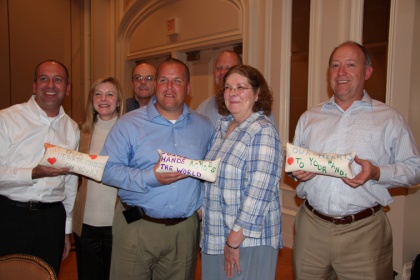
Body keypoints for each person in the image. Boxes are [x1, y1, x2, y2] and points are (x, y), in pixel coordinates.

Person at [291, 41, 420, 280]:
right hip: (311, 229)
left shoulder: (389, 118)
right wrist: (296, 171)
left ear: (367, 72)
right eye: (335, 65)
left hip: (365, 232)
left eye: (350, 65)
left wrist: (377, 172)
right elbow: (294, 163)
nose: (341, 72)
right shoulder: (309, 118)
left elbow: (415, 169)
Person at [101, 58, 214, 280]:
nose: (169, 87)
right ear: (156, 85)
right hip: (137, 226)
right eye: (163, 80)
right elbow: (107, 170)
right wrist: (150, 177)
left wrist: (202, 203)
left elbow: (210, 170)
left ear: (188, 88)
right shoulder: (128, 124)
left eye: (177, 81)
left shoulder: (204, 126)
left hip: (184, 231)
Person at [201, 64, 283, 279]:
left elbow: (260, 191)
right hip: (216, 235)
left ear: (257, 94)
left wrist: (234, 241)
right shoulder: (221, 128)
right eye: (228, 87)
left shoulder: (262, 131)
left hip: (246, 240)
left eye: (241, 87)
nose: (233, 93)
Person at [0, 60, 80, 275]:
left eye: (58, 79)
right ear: (34, 86)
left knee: (47, 275)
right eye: (44, 78)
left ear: (68, 88)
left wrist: (66, 230)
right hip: (11, 215)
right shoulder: (7, 119)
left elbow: (70, 183)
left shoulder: (72, 128)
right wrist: (34, 172)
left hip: (52, 219)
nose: (51, 85)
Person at [72, 76, 125, 280]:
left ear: (118, 101)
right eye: (98, 93)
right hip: (86, 223)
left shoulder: (129, 131)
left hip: (118, 223)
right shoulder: (81, 132)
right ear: (91, 100)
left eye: (110, 94)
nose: (104, 99)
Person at [196, 50, 243, 126]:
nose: (222, 72)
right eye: (219, 68)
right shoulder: (203, 108)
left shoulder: (255, 110)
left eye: (228, 68)